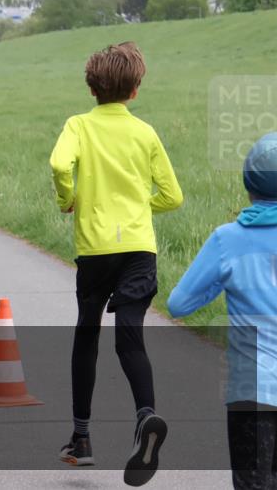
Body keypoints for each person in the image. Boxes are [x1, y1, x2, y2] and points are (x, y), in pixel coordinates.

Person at [49, 41, 183, 486]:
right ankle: (145, 415)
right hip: (139, 248)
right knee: (131, 338)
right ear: (135, 89)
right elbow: (172, 196)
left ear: (92, 88)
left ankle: (81, 440)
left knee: (87, 334)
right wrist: (139, 206)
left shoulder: (78, 125)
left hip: (96, 249)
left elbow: (58, 163)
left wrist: (70, 197)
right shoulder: (145, 133)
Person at [167, 133, 277, 490]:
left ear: (249, 184)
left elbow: (179, 303)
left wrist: (222, 281)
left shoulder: (227, 240)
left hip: (252, 390)